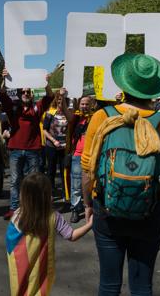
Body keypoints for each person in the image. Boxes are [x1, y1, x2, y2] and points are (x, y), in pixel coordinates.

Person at [81, 53, 160, 296]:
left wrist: (88, 203)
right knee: (142, 286)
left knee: (108, 285)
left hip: (107, 211)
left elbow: (87, 170)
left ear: (123, 85)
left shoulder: (103, 117)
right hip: (149, 214)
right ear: (153, 91)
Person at [6, 172, 93, 296]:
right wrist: (89, 224)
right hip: (40, 274)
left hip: (20, 275)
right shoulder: (53, 217)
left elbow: (11, 245)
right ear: (46, 196)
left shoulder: (17, 215)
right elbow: (71, 235)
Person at [0, 68, 54, 219]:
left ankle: (31, 208)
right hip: (15, 150)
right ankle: (14, 208)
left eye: (28, 92)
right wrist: (4, 79)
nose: (26, 94)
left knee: (33, 183)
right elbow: (2, 94)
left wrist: (46, 83)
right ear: (19, 93)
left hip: (33, 150)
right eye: (23, 91)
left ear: (32, 94)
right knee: (15, 181)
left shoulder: (37, 106)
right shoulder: (13, 107)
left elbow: (50, 95)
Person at [66, 95, 93, 223]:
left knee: (91, 184)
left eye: (87, 104)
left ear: (91, 105)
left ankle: (90, 207)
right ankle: (76, 209)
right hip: (77, 156)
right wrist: (62, 96)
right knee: (76, 185)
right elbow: (66, 112)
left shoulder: (95, 118)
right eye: (82, 104)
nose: (84, 106)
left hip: (92, 156)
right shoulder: (75, 118)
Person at [43, 88, 70, 197]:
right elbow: (44, 130)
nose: (60, 102)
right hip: (52, 146)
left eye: (62, 100)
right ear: (55, 100)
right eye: (58, 100)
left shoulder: (68, 113)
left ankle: (66, 194)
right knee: (51, 170)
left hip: (65, 147)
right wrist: (54, 141)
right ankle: (50, 193)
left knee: (65, 170)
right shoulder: (50, 112)